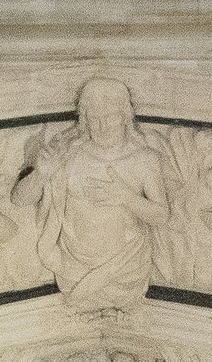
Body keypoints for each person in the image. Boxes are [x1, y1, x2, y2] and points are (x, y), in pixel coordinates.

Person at [25, 77, 173, 311]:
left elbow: (161, 215)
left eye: (111, 117)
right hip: (72, 268)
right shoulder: (69, 155)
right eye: (95, 119)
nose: (104, 127)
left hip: (126, 269)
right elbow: (20, 199)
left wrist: (126, 197)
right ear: (85, 121)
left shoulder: (144, 159)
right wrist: (40, 174)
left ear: (125, 116)